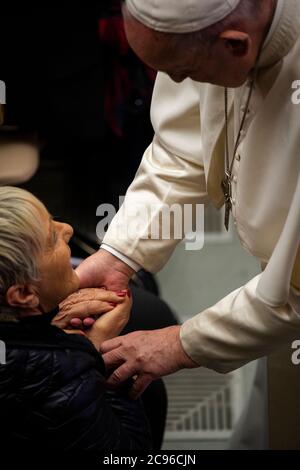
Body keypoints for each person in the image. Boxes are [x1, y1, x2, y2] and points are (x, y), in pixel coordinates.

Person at [63, 0, 300, 405]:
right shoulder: (203, 29)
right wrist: (122, 253)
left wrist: (181, 344)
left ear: (235, 46)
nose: (175, 82)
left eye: (182, 73)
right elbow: (183, 148)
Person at [0, 186, 152, 458]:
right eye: (51, 239)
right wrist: (93, 351)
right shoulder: (59, 385)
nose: (67, 228)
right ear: (23, 294)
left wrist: (47, 327)